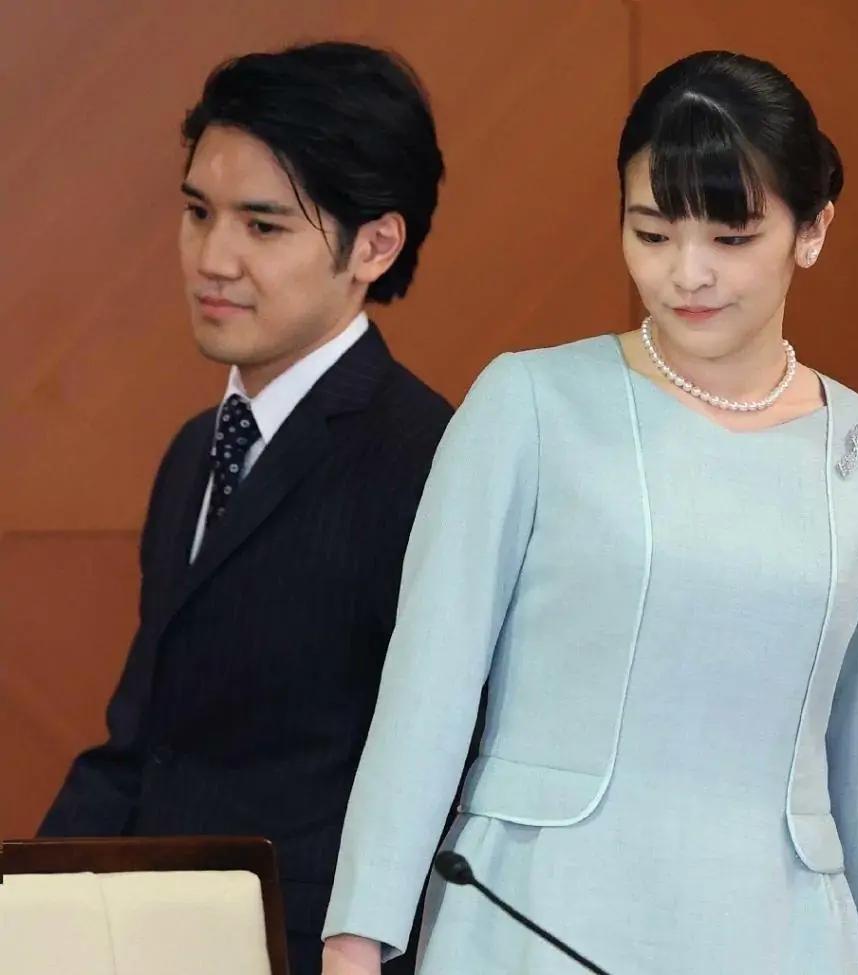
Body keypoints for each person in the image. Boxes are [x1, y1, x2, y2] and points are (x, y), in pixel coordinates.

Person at [321, 50, 858, 975]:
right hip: (532, 918)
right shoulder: (528, 403)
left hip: (784, 936)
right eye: (652, 232)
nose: (688, 273)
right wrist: (356, 940)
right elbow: (424, 697)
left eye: (731, 237)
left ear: (812, 230)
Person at [39, 41, 451, 975]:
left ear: (374, 245)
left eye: (262, 226)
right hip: (145, 938)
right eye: (198, 213)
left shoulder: (429, 460)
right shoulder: (196, 449)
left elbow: (439, 781)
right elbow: (143, 743)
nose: (212, 258)